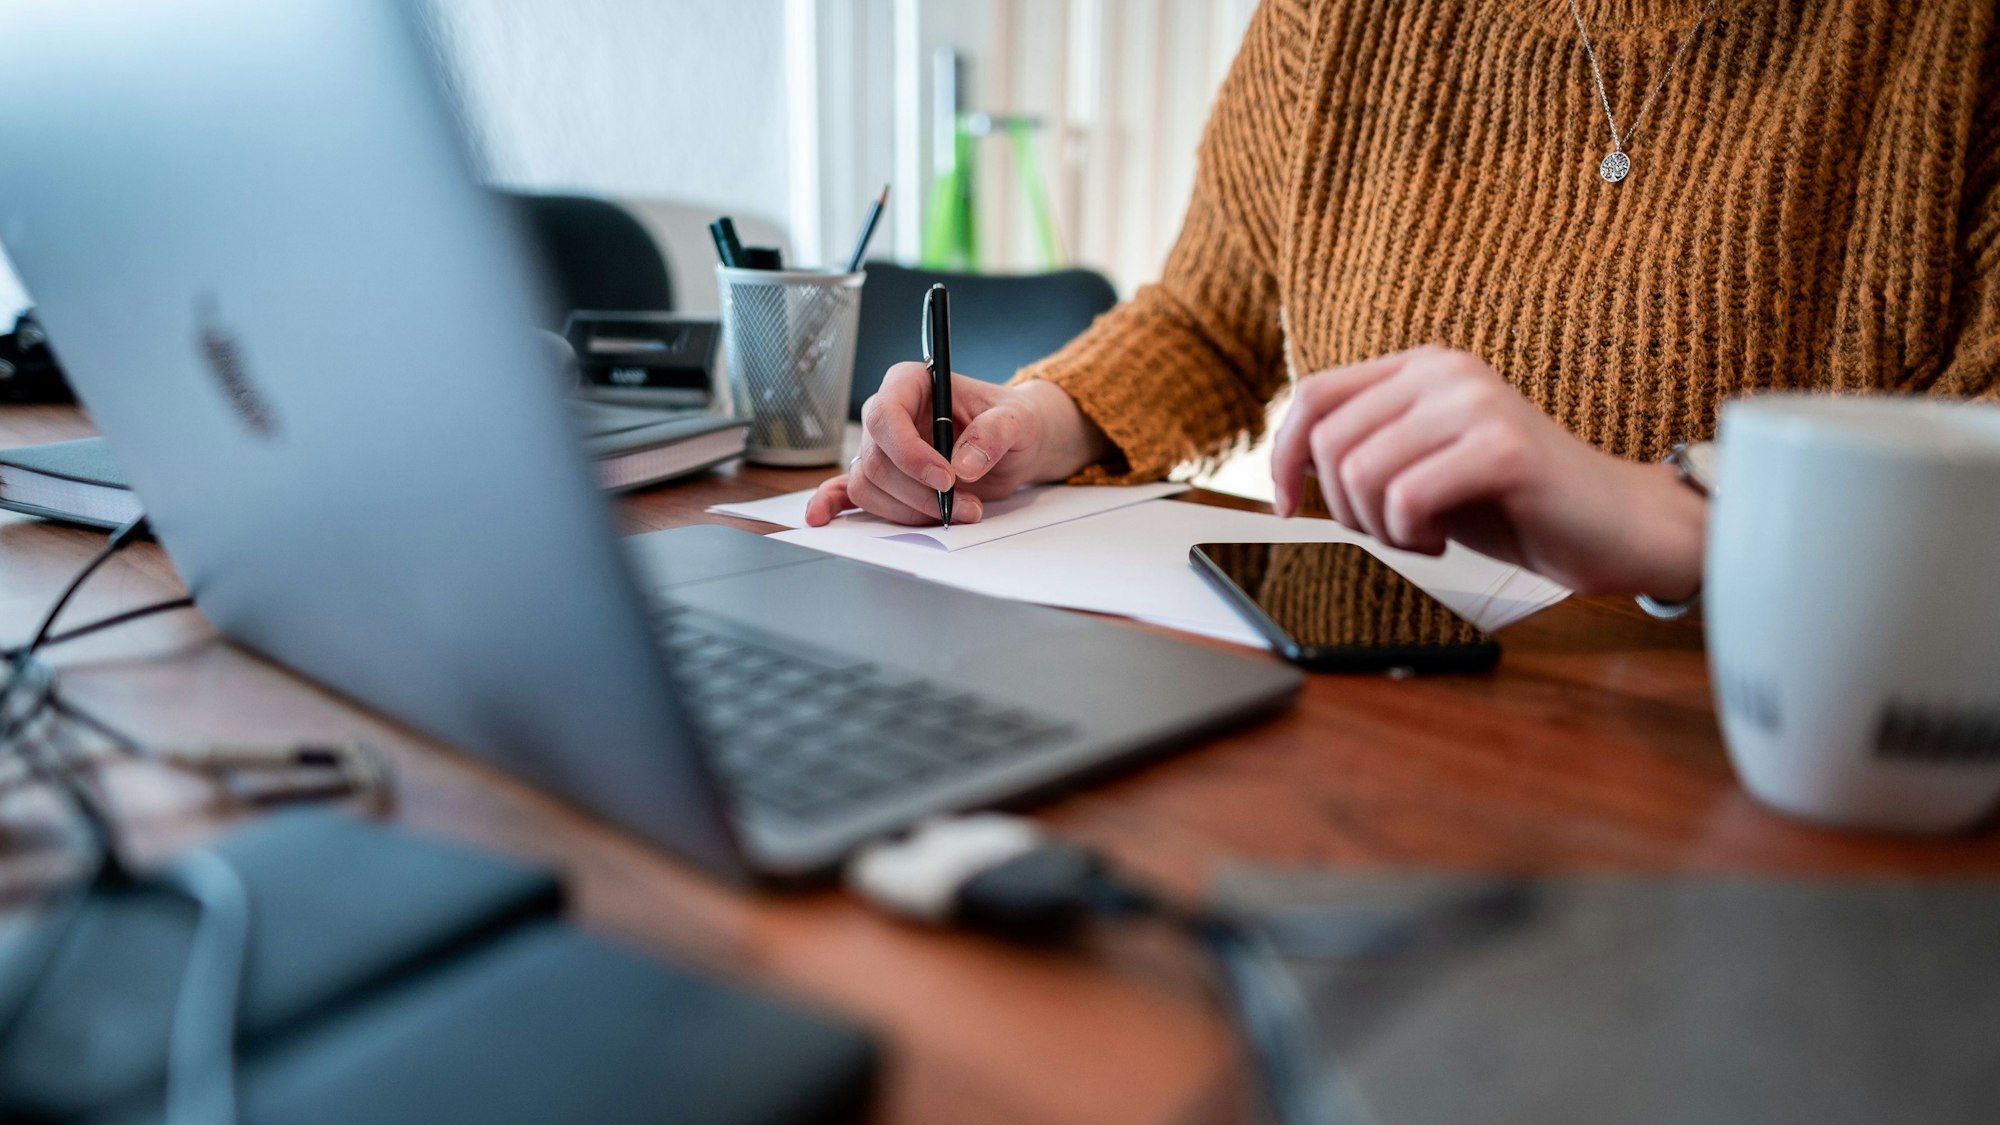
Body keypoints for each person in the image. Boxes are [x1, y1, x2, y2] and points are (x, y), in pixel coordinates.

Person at [809, 0, 1999, 609]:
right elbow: (1208, 315)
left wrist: (1678, 519)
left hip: (1753, 780)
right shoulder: (1336, 19)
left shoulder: (1951, 44)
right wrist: (1030, 419)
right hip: (1356, 720)